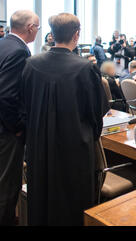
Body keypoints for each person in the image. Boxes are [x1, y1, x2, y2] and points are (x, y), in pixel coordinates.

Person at [21, 13, 110, 226]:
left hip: (39, 146)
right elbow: (97, 111)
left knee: (41, 197)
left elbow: (25, 106)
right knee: (72, 204)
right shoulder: (85, 68)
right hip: (75, 148)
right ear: (76, 34)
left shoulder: (31, 64)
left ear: (51, 35)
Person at [0, 9, 39, 226]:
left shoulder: (3, 43)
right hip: (7, 131)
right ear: (30, 28)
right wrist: (17, 126)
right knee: (7, 186)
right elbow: (7, 95)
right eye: (38, 28)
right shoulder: (19, 52)